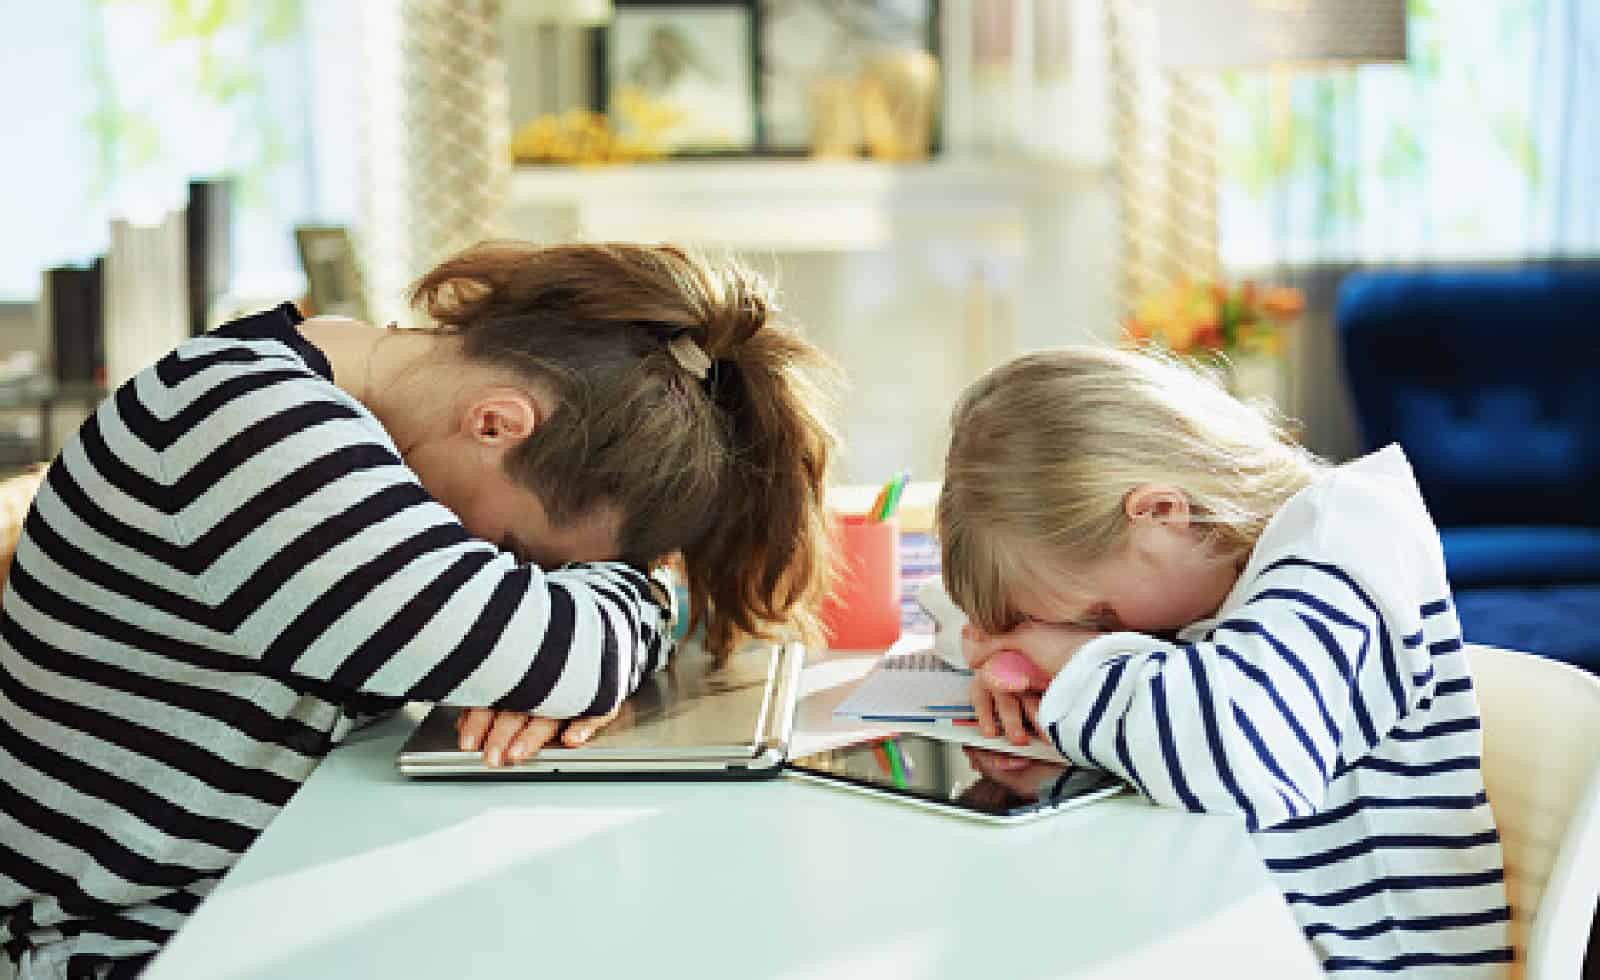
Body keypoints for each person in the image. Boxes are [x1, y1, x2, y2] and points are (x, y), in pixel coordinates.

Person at [0, 240, 839, 978]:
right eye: (519, 550)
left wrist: (610, 598)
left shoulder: (305, 385)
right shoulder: (257, 432)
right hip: (116, 944)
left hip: (238, 900)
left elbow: (580, 621)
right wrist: (573, 630)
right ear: (497, 424)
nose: (502, 565)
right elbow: (559, 652)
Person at [937, 346, 1511, 974]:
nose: (1099, 638)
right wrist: (1013, 654)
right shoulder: (1211, 574)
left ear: (1158, 514)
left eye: (1099, 619)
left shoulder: (1344, 548)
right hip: (1244, 932)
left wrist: (1070, 665)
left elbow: (1246, 758)